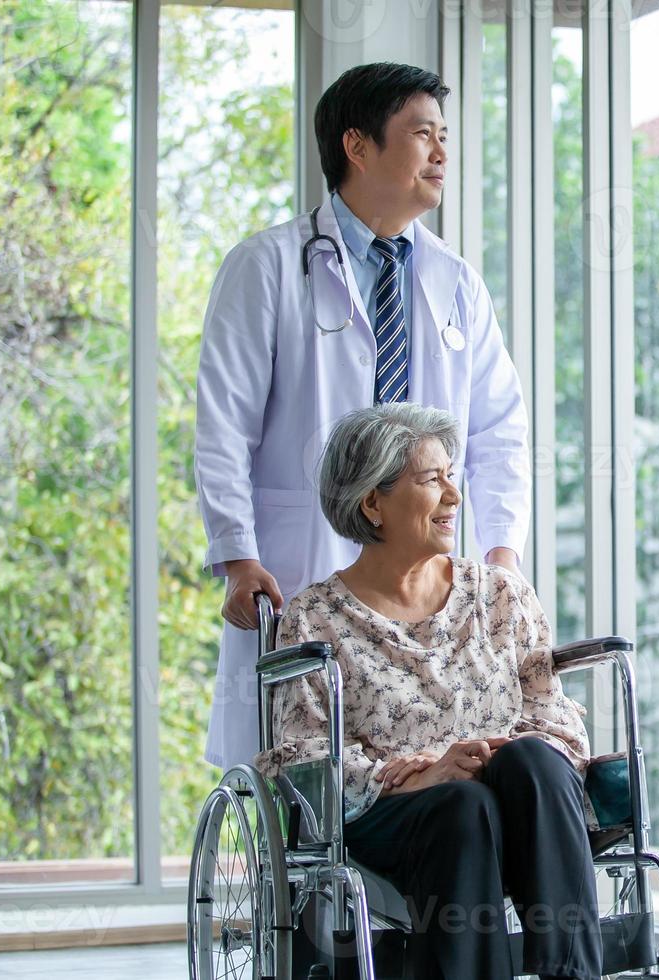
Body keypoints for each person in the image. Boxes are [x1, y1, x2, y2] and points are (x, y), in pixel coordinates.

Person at [195, 62, 530, 768]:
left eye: (445, 137)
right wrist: (237, 557)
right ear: (357, 146)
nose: (441, 153)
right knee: (311, 764)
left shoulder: (455, 281)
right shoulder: (266, 268)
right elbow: (223, 427)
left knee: (443, 765)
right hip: (304, 562)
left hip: (427, 575)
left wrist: (501, 553)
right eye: (422, 135)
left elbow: (500, 429)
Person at [255, 403, 600, 980]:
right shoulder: (316, 619)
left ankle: (572, 974)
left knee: (534, 758)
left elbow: (557, 721)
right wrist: (423, 775)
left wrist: (485, 754)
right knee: (460, 805)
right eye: (431, 479)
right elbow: (308, 757)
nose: (454, 497)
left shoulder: (499, 595)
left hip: (520, 792)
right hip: (397, 814)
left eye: (451, 475)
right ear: (373, 502)